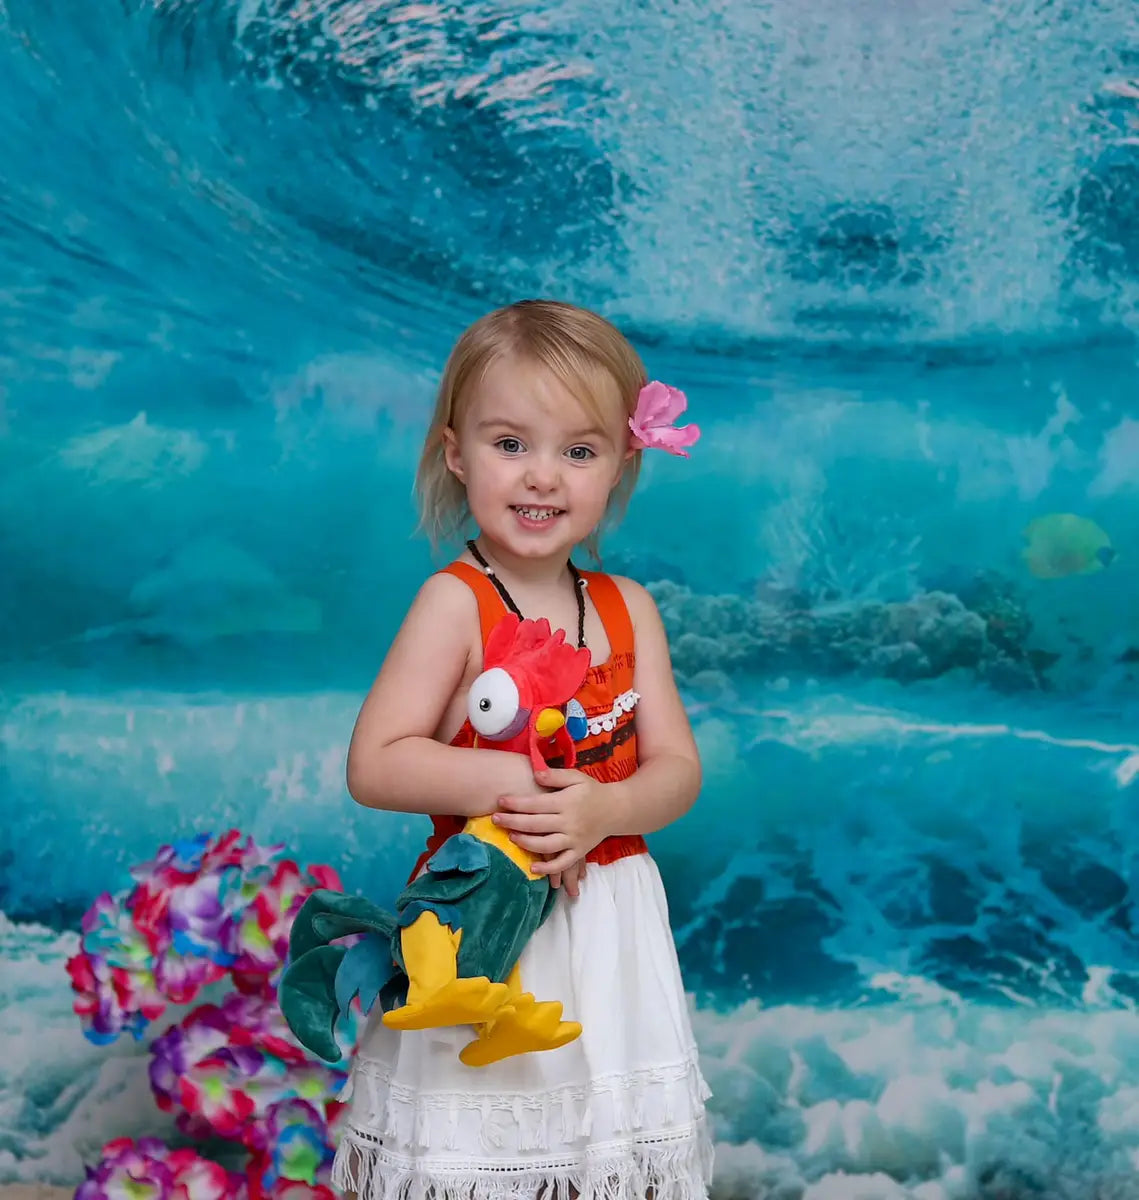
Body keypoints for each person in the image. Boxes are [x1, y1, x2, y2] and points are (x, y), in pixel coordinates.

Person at [332, 299, 712, 1200]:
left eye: (577, 451)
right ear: (456, 450)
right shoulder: (454, 603)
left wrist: (608, 807)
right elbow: (377, 760)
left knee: (600, 1156)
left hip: (609, 929)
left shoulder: (630, 607)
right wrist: (515, 780)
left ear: (621, 463)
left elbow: (677, 770)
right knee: (476, 1157)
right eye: (510, 444)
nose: (541, 477)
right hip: (488, 923)